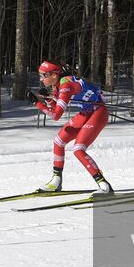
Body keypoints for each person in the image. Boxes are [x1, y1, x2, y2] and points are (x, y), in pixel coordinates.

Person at [31, 61, 113, 195]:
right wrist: (48, 100)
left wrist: (37, 103)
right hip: (86, 112)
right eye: (40, 75)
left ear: (54, 75)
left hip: (98, 112)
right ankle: (56, 181)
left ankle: (104, 185)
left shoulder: (66, 86)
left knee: (78, 149)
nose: (41, 79)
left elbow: (56, 115)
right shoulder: (58, 85)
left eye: (44, 75)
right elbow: (54, 107)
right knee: (58, 142)